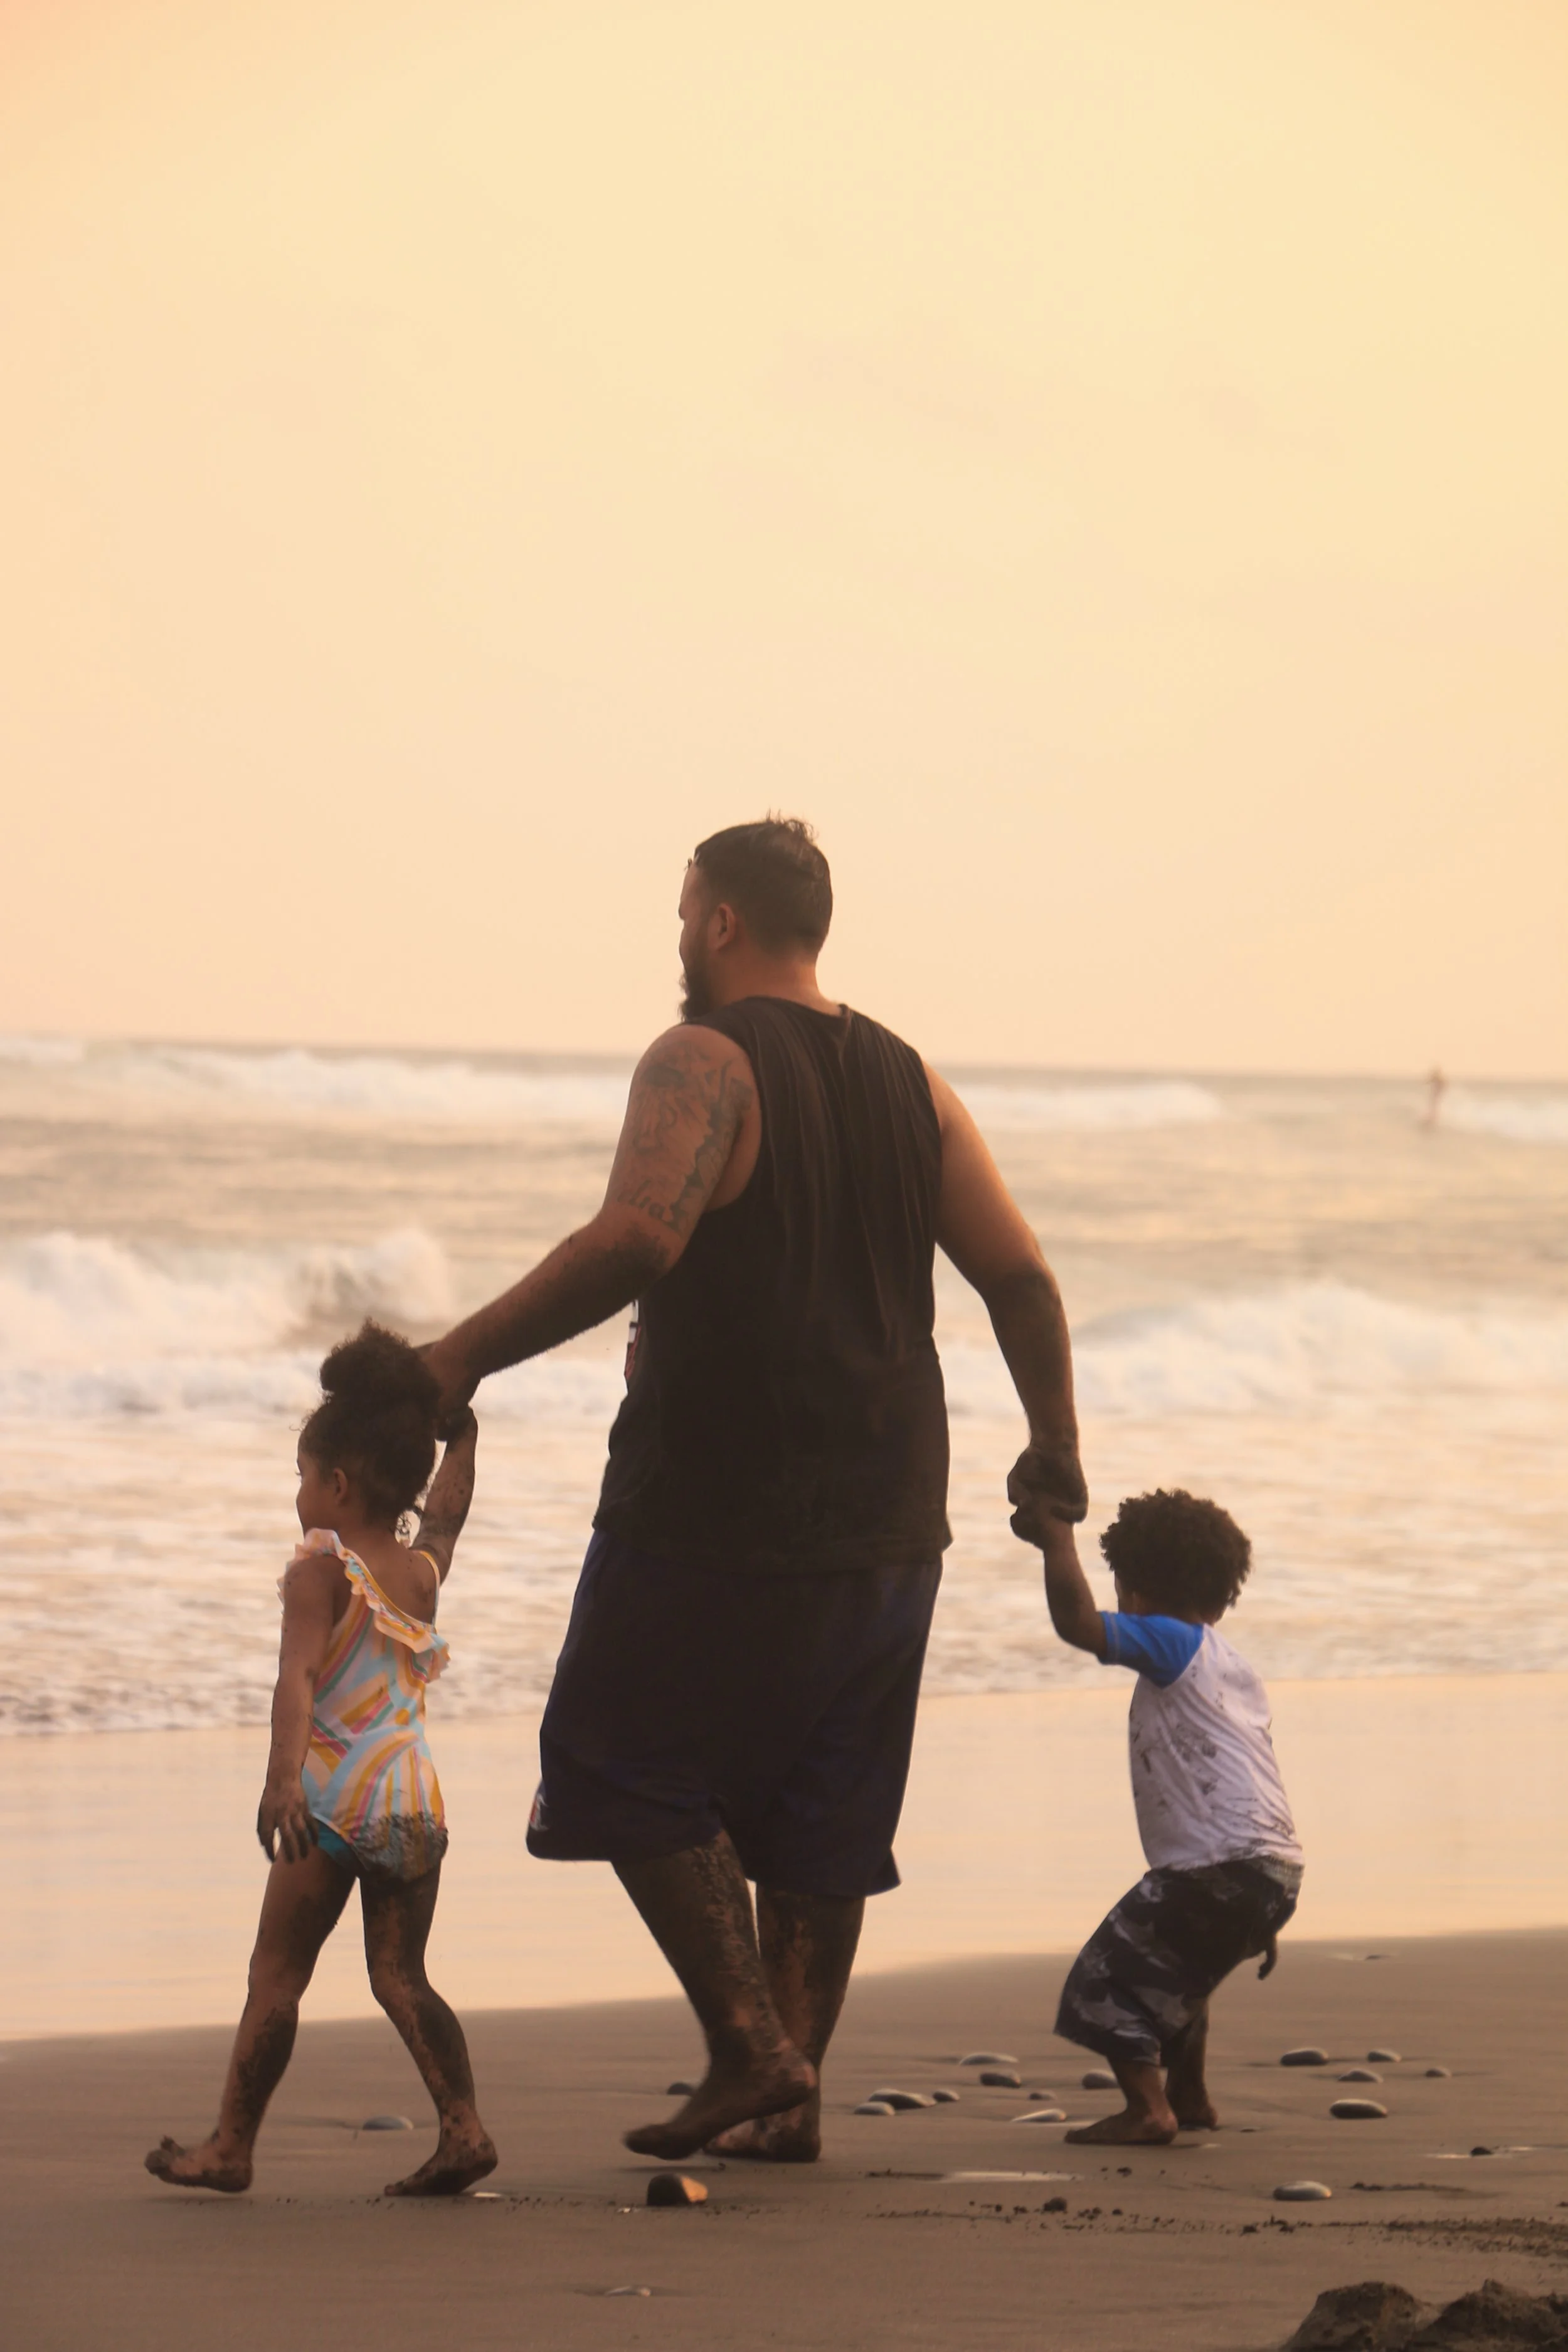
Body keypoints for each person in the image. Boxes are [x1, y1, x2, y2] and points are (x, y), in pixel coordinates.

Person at [424, 816, 1086, 2163]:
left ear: (722, 919)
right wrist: (1053, 1444)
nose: (676, 938)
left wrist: (456, 1355)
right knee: (819, 1808)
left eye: (683, 913)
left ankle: (746, 2043)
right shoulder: (914, 1080)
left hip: (718, 1496)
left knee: (609, 1756)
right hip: (896, 1499)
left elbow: (636, 1234)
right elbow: (1018, 1274)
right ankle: (788, 2098)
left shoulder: (700, 1056)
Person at [146, 1323, 495, 2197]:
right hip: (413, 1801)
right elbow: (448, 1512)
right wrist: (468, 1438)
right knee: (400, 1975)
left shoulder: (320, 1568)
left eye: (302, 1477)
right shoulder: (417, 1574)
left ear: (337, 1483)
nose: (297, 1495)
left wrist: (280, 1780)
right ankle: (464, 2127)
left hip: (333, 1804)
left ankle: (230, 2144)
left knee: (276, 1973)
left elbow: (298, 1677)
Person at [1012, 1484, 1303, 2146]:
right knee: (1181, 1977)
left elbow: (1078, 1626)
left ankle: (1149, 2109)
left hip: (1211, 1867)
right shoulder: (1233, 1668)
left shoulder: (1169, 1644)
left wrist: (1056, 1541)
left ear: (1135, 1586)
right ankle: (1190, 2094)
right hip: (1272, 1864)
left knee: (1106, 1977)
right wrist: (1259, 1906)